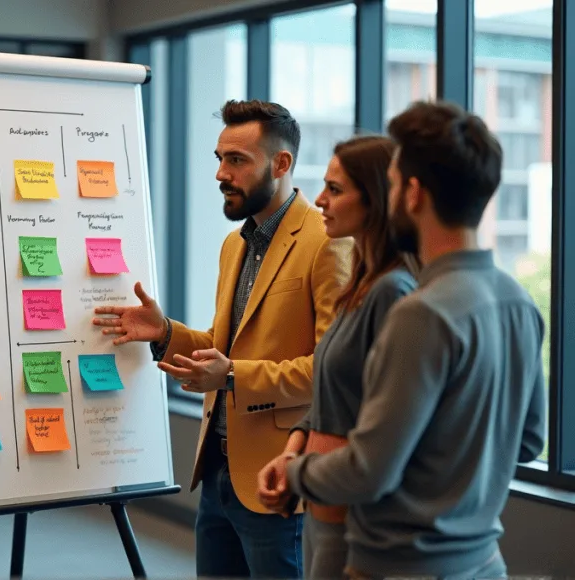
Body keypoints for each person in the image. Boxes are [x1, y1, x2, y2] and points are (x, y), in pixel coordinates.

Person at [283, 101, 547, 580]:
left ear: (413, 194)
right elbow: (527, 441)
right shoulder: (518, 301)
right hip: (484, 563)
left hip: (402, 566)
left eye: (394, 181)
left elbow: (369, 471)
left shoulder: (421, 313)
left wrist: (292, 472)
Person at [92, 99, 352, 578]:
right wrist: (166, 332)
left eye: (237, 161)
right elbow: (226, 346)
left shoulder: (327, 242)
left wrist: (231, 375)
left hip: (278, 479)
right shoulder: (235, 244)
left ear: (281, 163)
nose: (220, 174)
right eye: (219, 159)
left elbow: (331, 372)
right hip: (218, 472)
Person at [256, 135, 417, 579]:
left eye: (336, 189)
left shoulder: (393, 292)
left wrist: (301, 471)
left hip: (354, 516)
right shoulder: (359, 285)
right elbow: (335, 393)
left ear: (378, 199)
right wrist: (292, 453)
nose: (321, 200)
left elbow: (380, 417)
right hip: (320, 503)